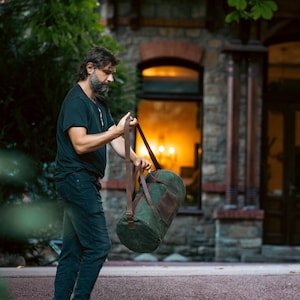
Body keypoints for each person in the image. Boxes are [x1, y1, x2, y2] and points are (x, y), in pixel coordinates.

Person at [53, 46, 151, 300]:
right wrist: (116, 132)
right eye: (107, 73)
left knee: (72, 251)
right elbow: (80, 143)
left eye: (112, 73)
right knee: (98, 246)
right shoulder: (76, 101)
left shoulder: (99, 104)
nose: (111, 79)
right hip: (76, 179)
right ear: (90, 68)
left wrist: (135, 158)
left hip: (82, 180)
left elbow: (115, 141)